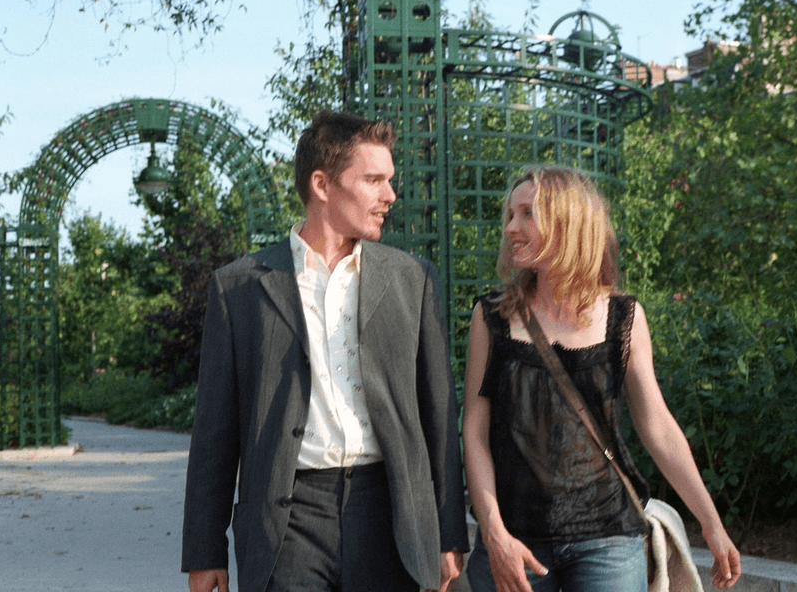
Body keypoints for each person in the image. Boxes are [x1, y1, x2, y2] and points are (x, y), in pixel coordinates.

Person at [181, 110, 469, 592]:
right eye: (374, 180)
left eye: (389, 180)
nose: (389, 196)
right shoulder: (239, 288)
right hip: (288, 520)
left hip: (389, 511)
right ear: (322, 184)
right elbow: (215, 428)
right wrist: (204, 549)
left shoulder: (411, 280)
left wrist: (448, 534)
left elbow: (438, 415)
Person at [462, 166, 741, 592]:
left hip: (608, 538)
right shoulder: (491, 317)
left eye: (526, 214)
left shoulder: (623, 317)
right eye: (510, 215)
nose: (511, 228)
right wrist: (494, 532)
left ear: (569, 223)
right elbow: (474, 433)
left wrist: (711, 523)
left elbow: (658, 428)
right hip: (516, 539)